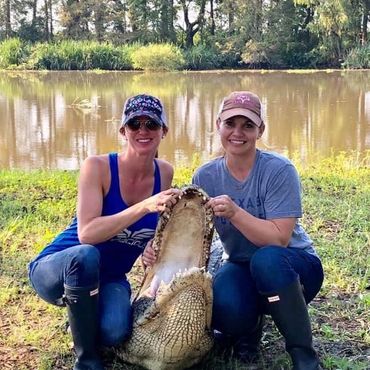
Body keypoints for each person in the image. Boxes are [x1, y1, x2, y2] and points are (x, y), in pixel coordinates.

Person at [28, 94, 181, 370]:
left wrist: (151, 247)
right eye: (135, 124)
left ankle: (81, 315)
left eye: (151, 124)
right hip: (59, 267)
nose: (143, 131)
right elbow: (87, 233)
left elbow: (153, 231)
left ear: (164, 132)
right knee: (86, 256)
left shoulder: (164, 173)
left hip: (110, 278)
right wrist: (143, 207)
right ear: (123, 131)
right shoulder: (97, 167)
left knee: (114, 332)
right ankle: (86, 361)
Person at [192, 91, 324, 370]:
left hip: (293, 266)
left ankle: (304, 356)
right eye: (230, 124)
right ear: (218, 125)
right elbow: (194, 235)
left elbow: (279, 238)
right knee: (224, 307)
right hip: (240, 264)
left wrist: (236, 213)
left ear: (260, 130)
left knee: (267, 260)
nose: (237, 132)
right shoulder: (204, 176)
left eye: (248, 125)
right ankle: (247, 331)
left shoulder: (279, 170)